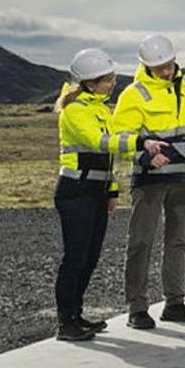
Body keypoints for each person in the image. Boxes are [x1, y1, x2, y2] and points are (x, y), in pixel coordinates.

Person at [112, 33, 185, 329]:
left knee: (178, 242)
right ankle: (137, 308)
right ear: (146, 65)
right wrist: (143, 157)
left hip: (183, 178)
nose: (166, 71)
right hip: (150, 181)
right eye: (159, 68)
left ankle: (175, 303)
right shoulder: (134, 93)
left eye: (169, 65)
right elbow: (120, 138)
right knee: (141, 242)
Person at [53, 48, 139, 342]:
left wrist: (111, 190)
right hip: (76, 192)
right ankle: (66, 323)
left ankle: (76, 314)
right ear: (89, 82)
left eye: (113, 78)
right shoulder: (75, 110)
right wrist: (141, 142)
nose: (113, 84)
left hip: (96, 192)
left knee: (90, 258)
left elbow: (107, 159)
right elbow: (99, 142)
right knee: (75, 258)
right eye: (107, 80)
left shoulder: (101, 107)